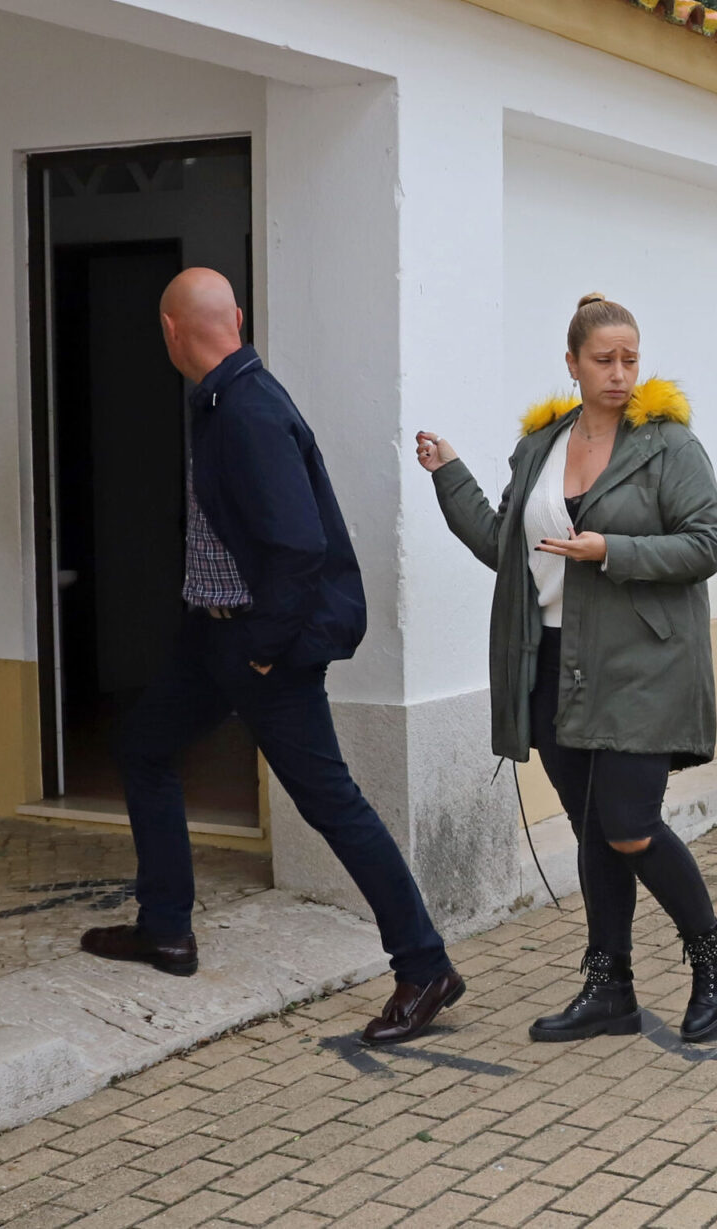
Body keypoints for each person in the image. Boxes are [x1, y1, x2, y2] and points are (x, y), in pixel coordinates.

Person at [84, 268, 462, 1046]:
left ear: (168, 332)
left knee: (332, 803)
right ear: (237, 318)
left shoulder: (248, 410)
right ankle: (166, 928)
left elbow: (298, 545)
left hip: (263, 644)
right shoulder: (223, 398)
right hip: (213, 634)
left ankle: (425, 966)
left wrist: (261, 651)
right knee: (143, 745)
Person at [416, 295, 717, 1044]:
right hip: (555, 661)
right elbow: (506, 543)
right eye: (604, 359)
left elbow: (706, 544)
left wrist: (613, 551)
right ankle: (610, 988)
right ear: (572, 364)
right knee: (592, 829)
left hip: (642, 663)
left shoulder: (667, 445)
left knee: (630, 826)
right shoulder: (543, 444)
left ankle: (715, 956)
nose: (620, 372)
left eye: (631, 358)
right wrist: (449, 473)